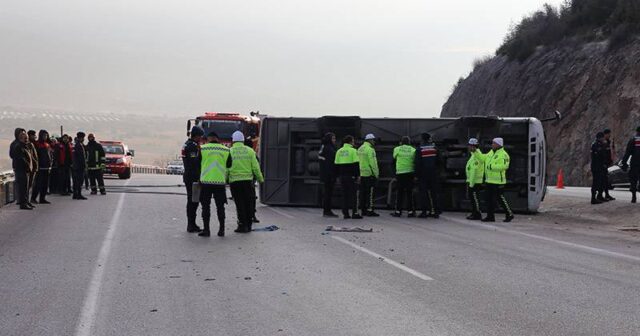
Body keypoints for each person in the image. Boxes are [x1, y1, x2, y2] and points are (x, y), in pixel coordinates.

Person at [228, 131, 264, 233]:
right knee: (248, 203)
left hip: (235, 182)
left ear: (233, 140)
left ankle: (242, 225)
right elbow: (256, 167)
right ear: (243, 140)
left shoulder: (230, 151)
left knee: (239, 204)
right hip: (248, 182)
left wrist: (225, 179)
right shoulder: (250, 151)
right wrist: (260, 179)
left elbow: (227, 167)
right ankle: (248, 224)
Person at [198, 132, 230, 237]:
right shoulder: (226, 150)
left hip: (206, 182)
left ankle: (206, 230)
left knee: (205, 207)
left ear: (208, 139)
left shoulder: (202, 149)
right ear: (217, 139)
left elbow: (197, 164)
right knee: (220, 207)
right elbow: (229, 164)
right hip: (220, 182)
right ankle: (222, 230)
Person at [482, 137, 514, 222]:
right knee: (488, 199)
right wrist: (476, 152)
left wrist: (491, 167)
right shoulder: (491, 153)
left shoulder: (504, 154)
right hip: (489, 180)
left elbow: (504, 166)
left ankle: (509, 213)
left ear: (498, 144)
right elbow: (483, 158)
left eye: (493, 143)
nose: (492, 145)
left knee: (500, 198)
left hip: (498, 181)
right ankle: (490, 216)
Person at [182, 126, 205, 233]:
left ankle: (192, 223)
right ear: (196, 136)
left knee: (193, 200)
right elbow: (194, 162)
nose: (201, 138)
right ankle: (191, 224)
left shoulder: (189, 144)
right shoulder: (192, 146)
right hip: (192, 177)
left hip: (189, 176)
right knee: (193, 201)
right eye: (200, 136)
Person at [334, 135, 362, 219]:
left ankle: (345, 213)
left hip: (342, 176)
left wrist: (337, 176)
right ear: (350, 142)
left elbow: (336, 165)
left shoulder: (339, 151)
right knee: (354, 195)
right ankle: (355, 213)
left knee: (344, 195)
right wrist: (358, 176)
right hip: (351, 176)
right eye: (353, 141)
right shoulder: (353, 151)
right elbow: (356, 164)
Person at [415, 133, 440, 218]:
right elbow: (439, 161)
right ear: (429, 139)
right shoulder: (435, 149)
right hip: (433, 173)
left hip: (423, 174)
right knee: (434, 193)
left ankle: (424, 212)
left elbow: (417, 164)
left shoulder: (419, 149)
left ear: (422, 140)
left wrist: (416, 175)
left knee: (423, 193)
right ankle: (434, 212)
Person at [391, 136, 416, 217]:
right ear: (409, 142)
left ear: (401, 142)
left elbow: (394, 158)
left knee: (400, 193)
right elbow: (415, 161)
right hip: (410, 173)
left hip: (400, 173)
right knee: (409, 193)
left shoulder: (397, 149)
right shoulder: (413, 150)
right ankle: (410, 212)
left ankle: (398, 211)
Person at [10, 129, 33, 210]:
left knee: (26, 186)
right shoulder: (17, 145)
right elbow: (18, 157)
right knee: (22, 187)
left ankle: (26, 201)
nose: (25, 135)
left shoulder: (25, 145)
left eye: (25, 134)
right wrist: (26, 164)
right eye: (23, 134)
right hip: (21, 169)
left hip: (26, 169)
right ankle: (23, 203)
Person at [358, 133, 380, 217]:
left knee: (362, 193)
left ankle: (363, 210)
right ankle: (370, 210)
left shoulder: (360, 149)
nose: (374, 141)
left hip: (361, 173)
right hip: (369, 174)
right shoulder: (370, 150)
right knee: (370, 193)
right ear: (370, 140)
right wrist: (376, 174)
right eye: (373, 140)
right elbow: (373, 163)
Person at [318, 132, 338, 217]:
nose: (334, 140)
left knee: (327, 192)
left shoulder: (323, 147)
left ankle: (327, 210)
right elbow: (331, 163)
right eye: (333, 138)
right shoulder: (329, 149)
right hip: (329, 174)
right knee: (328, 193)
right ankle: (327, 211)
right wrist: (333, 174)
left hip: (324, 173)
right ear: (329, 139)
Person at [465, 138, 485, 220]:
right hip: (473, 181)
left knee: (475, 198)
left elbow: (474, 170)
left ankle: (477, 214)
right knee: (473, 199)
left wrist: (471, 184)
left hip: (475, 182)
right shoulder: (474, 155)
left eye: (470, 146)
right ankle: (474, 213)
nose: (469, 147)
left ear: (474, 147)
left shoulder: (477, 156)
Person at [31, 130, 52, 204]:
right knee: (38, 184)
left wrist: (50, 164)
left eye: (46, 135)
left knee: (45, 185)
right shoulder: (37, 144)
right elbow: (34, 156)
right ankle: (33, 198)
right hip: (40, 167)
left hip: (47, 167)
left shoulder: (47, 144)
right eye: (44, 135)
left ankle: (42, 198)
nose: (45, 137)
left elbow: (50, 155)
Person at [621, 126, 640, 203]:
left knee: (633, 180)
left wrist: (624, 163)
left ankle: (634, 196)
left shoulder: (633, 140)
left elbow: (627, 153)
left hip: (635, 163)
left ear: (637, 131)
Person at [244, 136, 260, 223]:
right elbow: (257, 167)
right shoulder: (252, 153)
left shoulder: (237, 152)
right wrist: (260, 178)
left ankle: (243, 218)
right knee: (251, 199)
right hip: (250, 181)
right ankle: (252, 216)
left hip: (237, 180)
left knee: (241, 200)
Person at [590, 132, 608, 204]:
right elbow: (598, 156)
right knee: (596, 182)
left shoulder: (601, 144)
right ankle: (593, 198)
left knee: (601, 182)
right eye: (603, 137)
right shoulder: (595, 144)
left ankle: (599, 196)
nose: (604, 139)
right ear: (600, 137)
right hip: (596, 167)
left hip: (600, 166)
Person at [72, 132, 88, 200]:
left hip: (77, 166)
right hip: (79, 166)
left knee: (77, 181)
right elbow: (81, 157)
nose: (83, 139)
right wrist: (84, 165)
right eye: (82, 138)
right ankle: (78, 194)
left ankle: (76, 194)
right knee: (79, 180)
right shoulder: (79, 145)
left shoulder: (78, 145)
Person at [602, 129, 616, 201]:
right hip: (602, 164)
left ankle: (606, 194)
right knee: (602, 180)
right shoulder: (602, 142)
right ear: (605, 134)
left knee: (606, 180)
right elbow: (602, 154)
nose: (610, 135)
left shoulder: (608, 142)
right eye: (609, 134)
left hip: (606, 163)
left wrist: (610, 160)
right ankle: (600, 195)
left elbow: (608, 152)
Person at [26, 130, 39, 205]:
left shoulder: (32, 144)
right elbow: (31, 157)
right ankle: (26, 201)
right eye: (33, 135)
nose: (34, 136)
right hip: (31, 168)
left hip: (34, 167)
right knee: (28, 186)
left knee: (30, 185)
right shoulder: (28, 144)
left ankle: (28, 200)